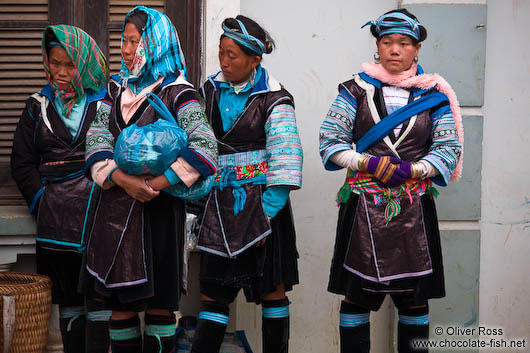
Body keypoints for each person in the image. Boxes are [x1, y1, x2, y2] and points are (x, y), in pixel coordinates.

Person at [319, 9, 463, 353]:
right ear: (378, 47)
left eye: (403, 43)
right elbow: (331, 140)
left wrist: (413, 171)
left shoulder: (436, 97)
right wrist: (368, 163)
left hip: (414, 211)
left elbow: (448, 148)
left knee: (414, 300)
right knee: (356, 299)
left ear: (416, 50)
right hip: (362, 208)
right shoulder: (355, 90)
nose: (394, 50)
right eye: (387, 42)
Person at [83, 6, 218, 353]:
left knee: (160, 306)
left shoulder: (178, 92)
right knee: (119, 306)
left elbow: (205, 147)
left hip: (158, 215)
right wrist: (121, 179)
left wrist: (155, 185)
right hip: (113, 213)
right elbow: (96, 141)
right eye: (123, 41)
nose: (126, 50)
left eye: (133, 41)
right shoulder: (115, 90)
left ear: (154, 43)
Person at [190, 15, 303, 353]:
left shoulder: (275, 97)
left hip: (266, 208)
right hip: (218, 208)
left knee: (272, 289)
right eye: (222, 53)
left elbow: (285, 158)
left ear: (255, 60)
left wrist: (265, 214)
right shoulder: (207, 91)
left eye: (233, 55)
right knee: (213, 292)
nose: (224, 61)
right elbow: (194, 144)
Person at [10, 25, 110, 353]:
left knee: (100, 295)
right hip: (54, 218)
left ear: (85, 65)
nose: (62, 72)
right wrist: (41, 199)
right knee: (67, 298)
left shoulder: (108, 103)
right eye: (55, 63)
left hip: (100, 214)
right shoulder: (36, 106)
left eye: (70, 65)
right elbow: (22, 163)